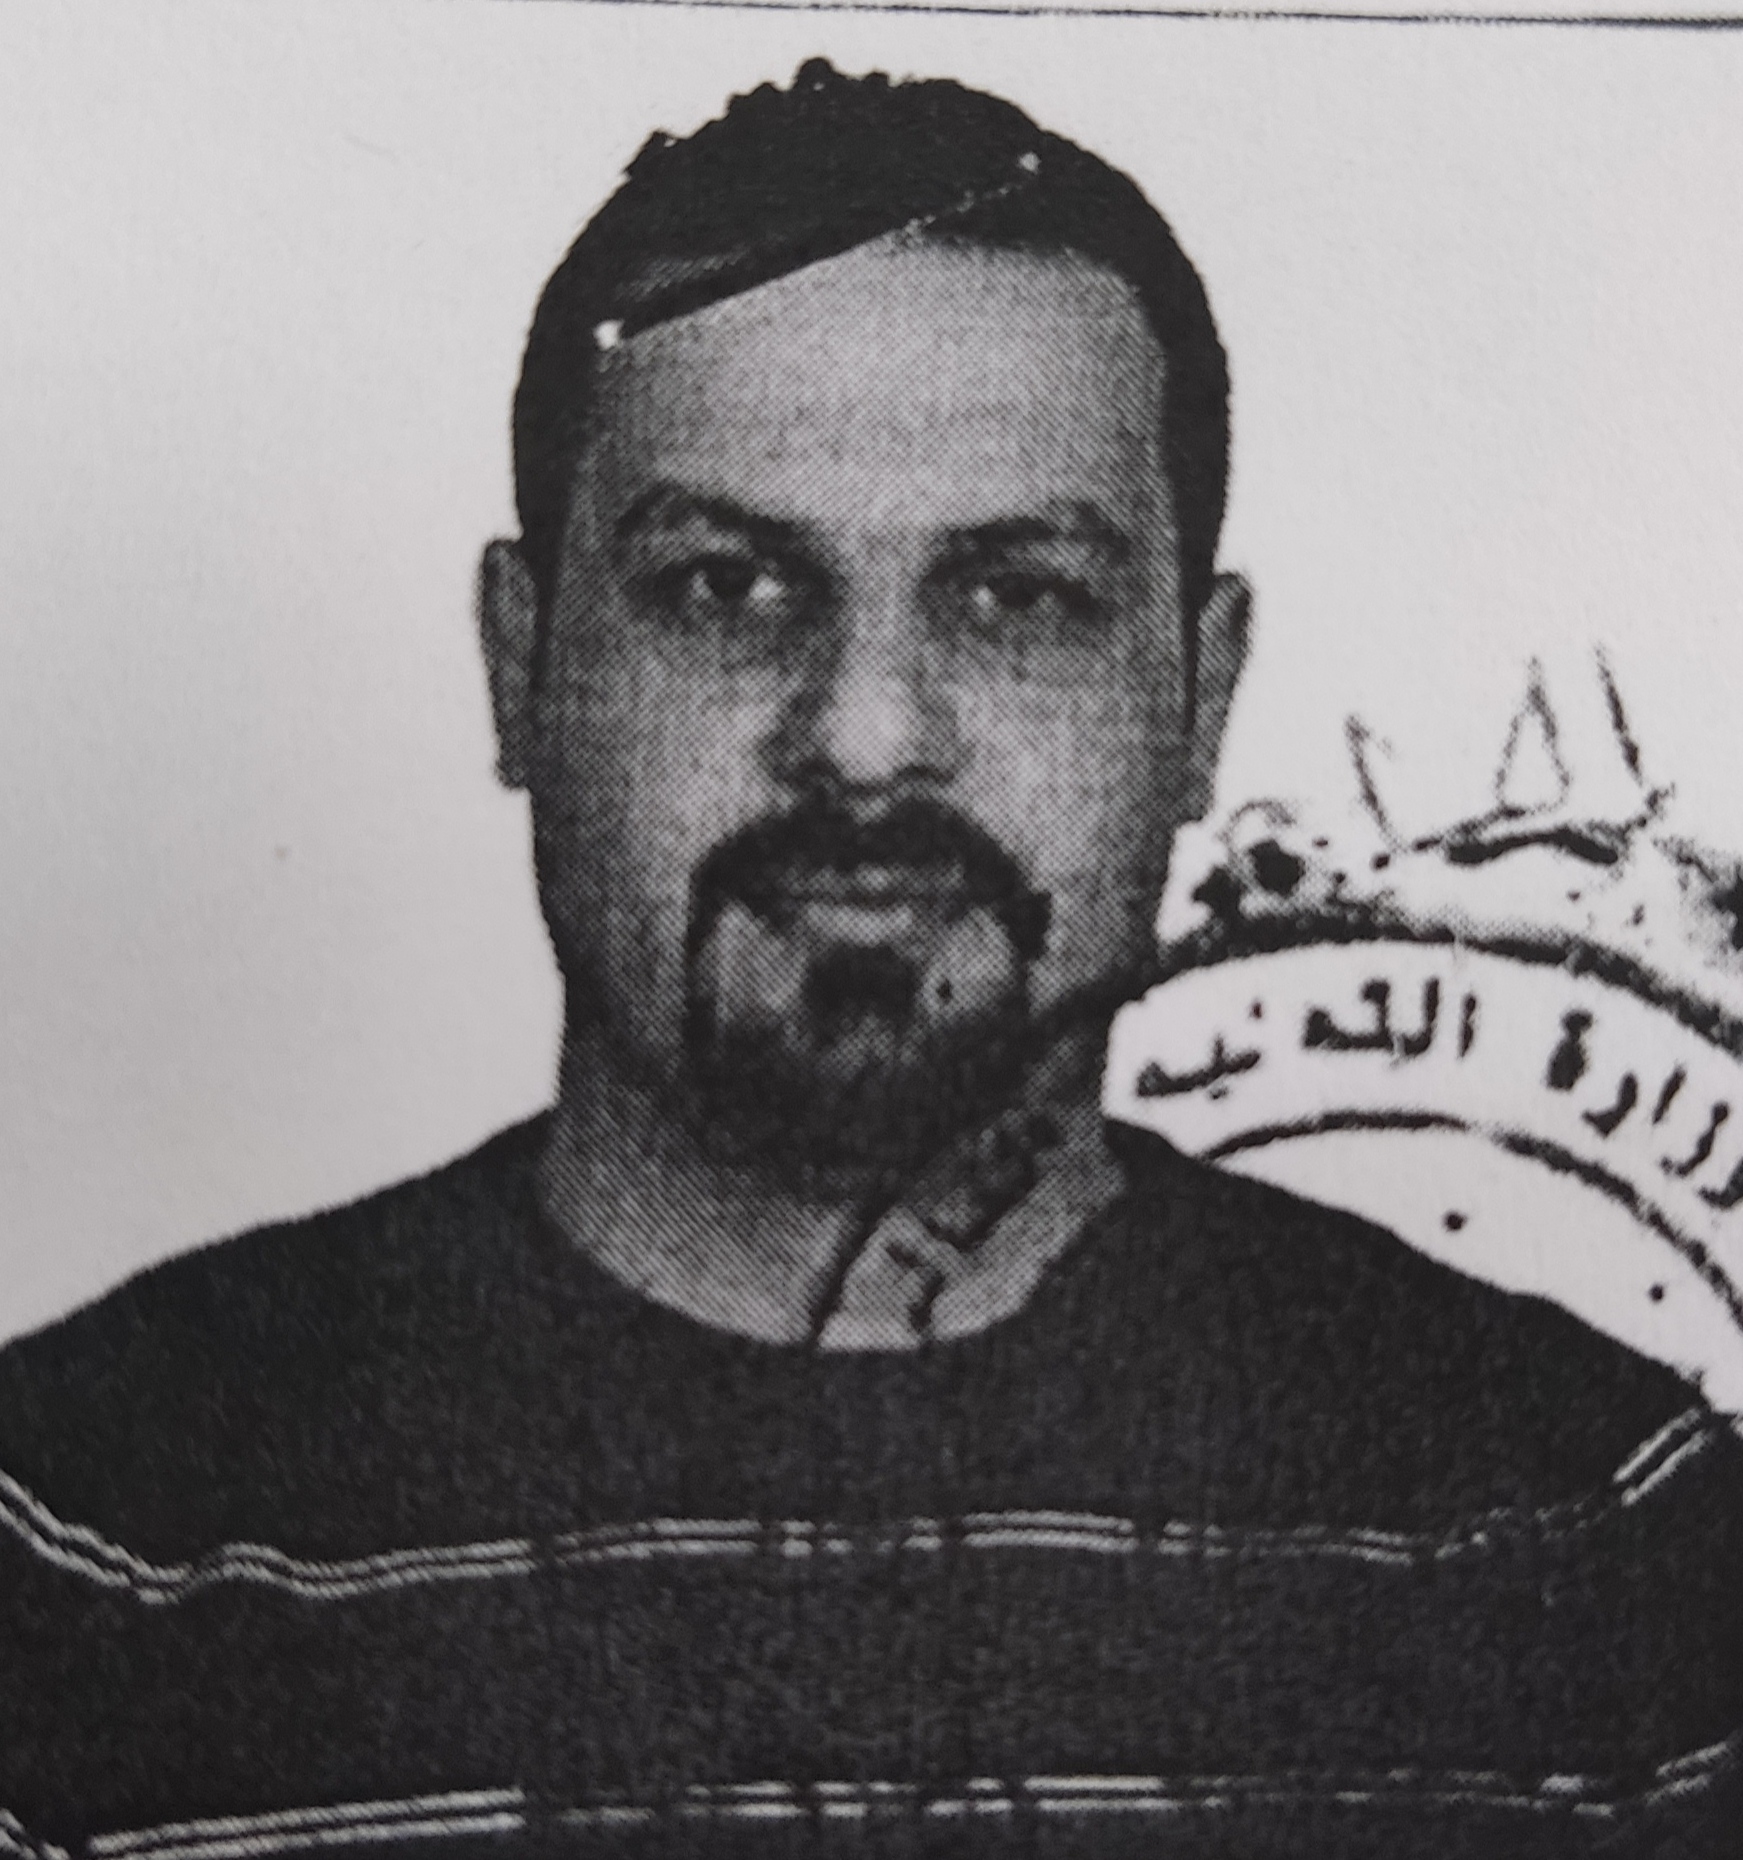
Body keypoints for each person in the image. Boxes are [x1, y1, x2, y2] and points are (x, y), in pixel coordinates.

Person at [1, 59, 1737, 1859]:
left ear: (1199, 700)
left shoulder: (1601, 1543)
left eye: (1020, 596)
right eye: (724, 587)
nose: (865, 735)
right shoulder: (75, 1551)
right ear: (521, 666)